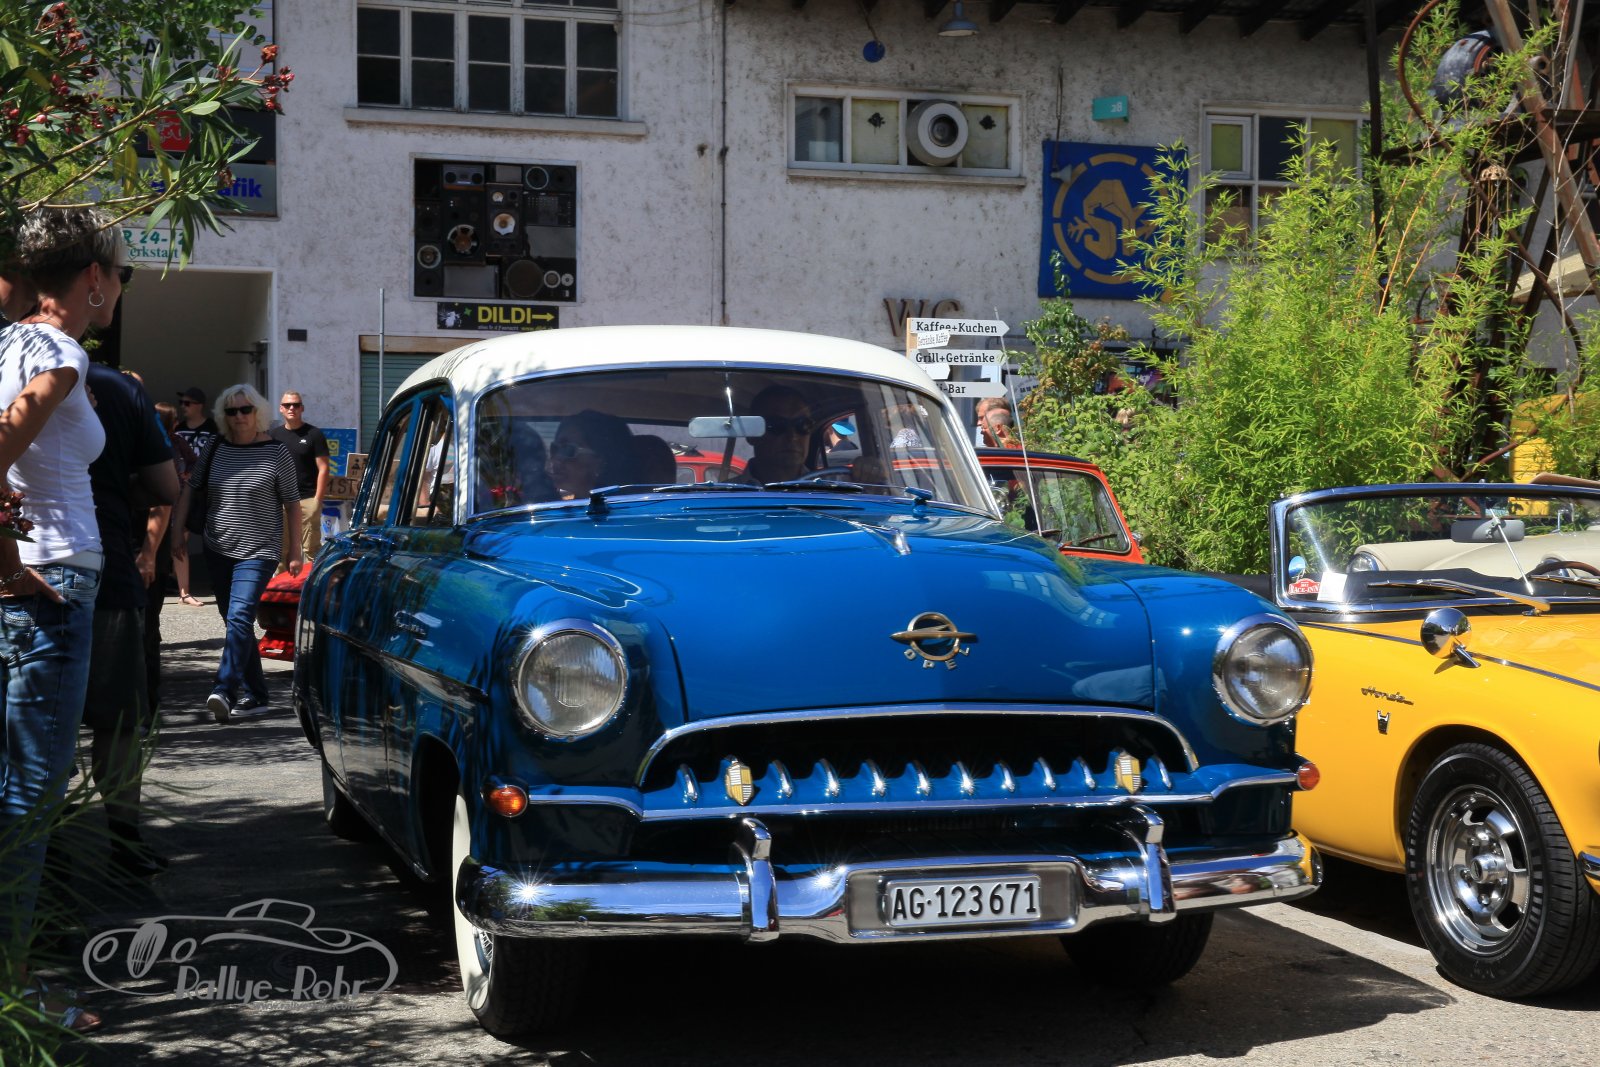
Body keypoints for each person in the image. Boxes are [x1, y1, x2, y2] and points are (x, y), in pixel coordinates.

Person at [0, 207, 123, 1031]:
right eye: (117, 275)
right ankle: (11, 988)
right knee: (29, 796)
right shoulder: (60, 351)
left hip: (28, 588)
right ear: (92, 279)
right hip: (51, 593)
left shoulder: (5, 344)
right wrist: (11, 562)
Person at [82, 361, 176, 880]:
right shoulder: (120, 389)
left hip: (19, 566)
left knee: (29, 720)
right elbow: (165, 485)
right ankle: (124, 840)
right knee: (117, 720)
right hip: (103, 562)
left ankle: (38, 847)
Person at [171, 383, 301, 724]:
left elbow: (292, 503)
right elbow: (191, 489)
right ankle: (257, 695)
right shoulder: (215, 447)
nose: (239, 416)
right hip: (217, 547)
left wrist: (295, 550)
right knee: (235, 623)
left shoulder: (276, 452)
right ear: (223, 415)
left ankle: (225, 689)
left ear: (257, 412)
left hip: (259, 549)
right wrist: (176, 531)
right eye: (232, 411)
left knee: (240, 617)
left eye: (245, 409)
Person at [269, 390, 330, 571]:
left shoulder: (314, 434)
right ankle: (280, 587)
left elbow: (324, 468)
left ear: (302, 408)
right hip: (280, 502)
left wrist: (317, 501)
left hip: (307, 500)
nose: (291, 408)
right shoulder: (274, 435)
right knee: (280, 551)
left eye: (296, 405)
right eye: (287, 405)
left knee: (311, 550)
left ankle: (310, 586)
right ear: (281, 409)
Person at [547, 410, 638, 498]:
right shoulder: (550, 505)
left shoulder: (630, 506)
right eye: (554, 449)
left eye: (568, 450)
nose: (556, 460)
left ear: (601, 462)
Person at [740, 385, 815, 483]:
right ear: (751, 434)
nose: (792, 436)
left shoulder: (828, 490)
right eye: (777, 424)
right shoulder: (725, 491)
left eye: (803, 425)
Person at [174, 386, 218, 453]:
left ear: (200, 405)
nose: (182, 406)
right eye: (181, 402)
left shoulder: (213, 427)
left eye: (187, 403)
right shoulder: (178, 428)